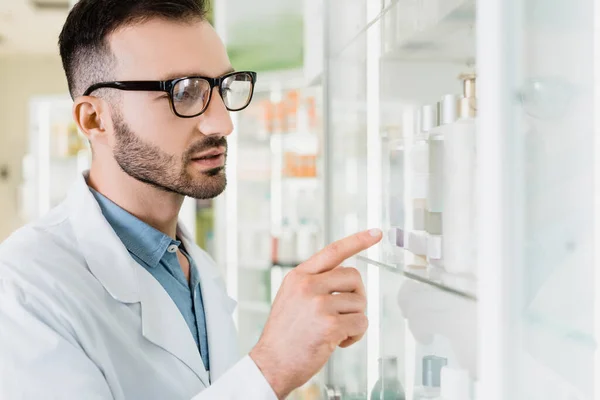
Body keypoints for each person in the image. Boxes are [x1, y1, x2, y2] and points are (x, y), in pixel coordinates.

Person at [0, 0, 382, 399]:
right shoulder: (23, 289)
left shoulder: (192, 265)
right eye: (183, 92)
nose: (223, 122)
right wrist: (272, 367)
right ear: (95, 119)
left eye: (223, 87)